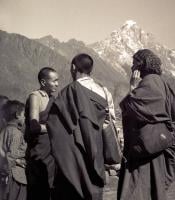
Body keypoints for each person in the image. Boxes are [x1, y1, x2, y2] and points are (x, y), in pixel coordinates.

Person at [47, 53, 116, 200]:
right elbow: (110, 123)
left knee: (71, 191)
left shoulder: (67, 92)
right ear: (91, 69)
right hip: (96, 149)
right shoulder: (104, 92)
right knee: (93, 187)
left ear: (73, 68)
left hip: (73, 153)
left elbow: (54, 125)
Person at [117, 49, 175, 200]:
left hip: (142, 155)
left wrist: (132, 87)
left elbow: (130, 108)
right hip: (160, 151)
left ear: (140, 66)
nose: (131, 68)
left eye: (133, 64)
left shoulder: (147, 84)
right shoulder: (164, 84)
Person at [25, 67, 59, 200]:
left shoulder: (53, 98)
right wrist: (54, 128)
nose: (57, 84)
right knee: (38, 189)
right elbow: (34, 126)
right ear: (43, 82)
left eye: (58, 81)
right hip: (39, 150)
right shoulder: (35, 96)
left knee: (51, 188)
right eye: (54, 81)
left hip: (52, 150)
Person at [0, 100, 27, 200]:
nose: (25, 117)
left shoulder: (4, 130)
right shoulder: (16, 133)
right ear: (17, 115)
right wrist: (7, 173)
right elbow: (12, 155)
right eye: (24, 114)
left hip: (8, 175)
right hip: (15, 178)